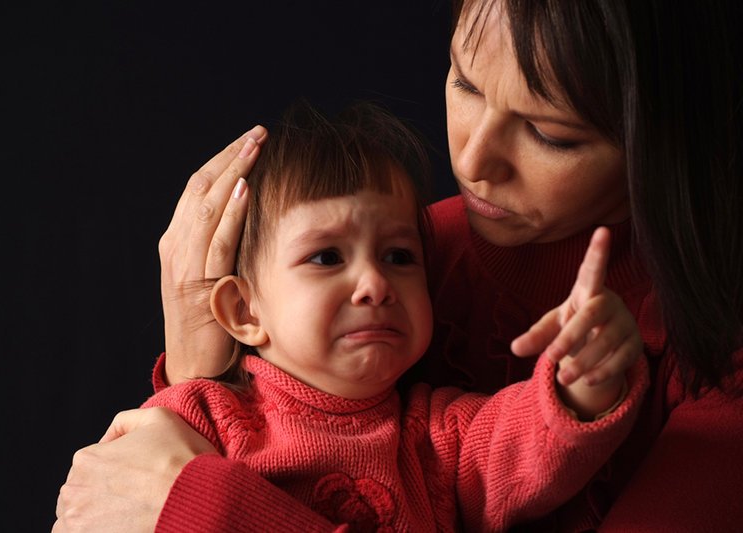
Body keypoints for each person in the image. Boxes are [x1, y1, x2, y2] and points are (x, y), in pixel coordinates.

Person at [54, 0, 743, 531]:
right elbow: (123, 486)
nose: (473, 160)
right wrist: (196, 364)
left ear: (662, 142)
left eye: (548, 133)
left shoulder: (435, 410)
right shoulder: (415, 245)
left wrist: (211, 508)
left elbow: (505, 448)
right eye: (465, 84)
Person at [141, 100, 647, 531]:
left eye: (399, 257)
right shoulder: (204, 415)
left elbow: (521, 447)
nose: (376, 285)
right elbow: (114, 497)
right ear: (244, 310)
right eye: (327, 258)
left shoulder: (436, 434)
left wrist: (582, 381)